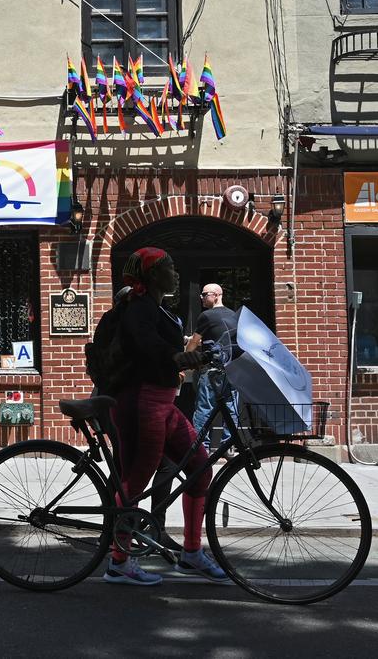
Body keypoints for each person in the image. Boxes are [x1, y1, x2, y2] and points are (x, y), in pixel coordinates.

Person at [105, 247, 228, 586]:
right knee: (135, 480)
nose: (175, 273)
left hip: (163, 403)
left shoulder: (158, 308)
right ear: (151, 275)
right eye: (169, 267)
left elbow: (165, 349)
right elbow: (148, 348)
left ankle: (191, 553)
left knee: (201, 468)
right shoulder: (138, 309)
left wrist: (192, 355)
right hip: (141, 401)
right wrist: (181, 359)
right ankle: (118, 562)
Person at [192, 284, 240, 450]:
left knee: (205, 408)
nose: (202, 297)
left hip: (211, 370)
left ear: (217, 295)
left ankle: (200, 448)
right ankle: (228, 447)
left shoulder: (206, 315)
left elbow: (194, 341)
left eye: (205, 294)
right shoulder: (233, 315)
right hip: (231, 368)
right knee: (231, 408)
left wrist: (185, 358)